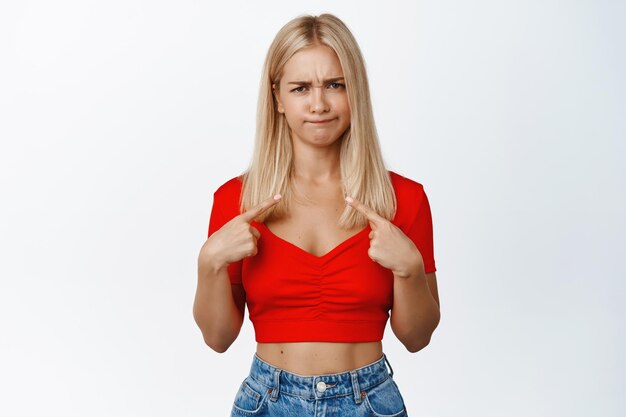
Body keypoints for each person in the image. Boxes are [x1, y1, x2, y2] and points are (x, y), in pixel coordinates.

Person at [193, 13, 440, 417]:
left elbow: (417, 337)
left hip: (369, 403)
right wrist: (209, 264)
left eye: (335, 85)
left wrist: (410, 269)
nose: (319, 104)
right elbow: (218, 338)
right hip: (266, 402)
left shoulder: (403, 199)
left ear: (354, 91)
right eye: (301, 87)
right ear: (277, 98)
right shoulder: (235, 201)